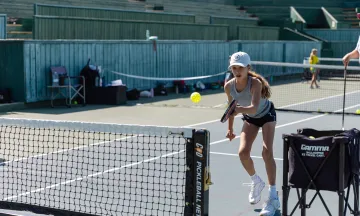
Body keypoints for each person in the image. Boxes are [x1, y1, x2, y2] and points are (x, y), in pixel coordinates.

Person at [224, 51, 279, 216]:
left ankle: (273, 196)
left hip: (266, 114)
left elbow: (254, 107)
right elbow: (231, 106)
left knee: (266, 152)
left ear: (248, 68)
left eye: (240, 67)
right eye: (234, 68)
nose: (237, 71)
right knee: (243, 153)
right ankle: (256, 181)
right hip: (250, 119)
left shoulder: (255, 83)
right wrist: (230, 129)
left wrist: (237, 110)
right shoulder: (228, 86)